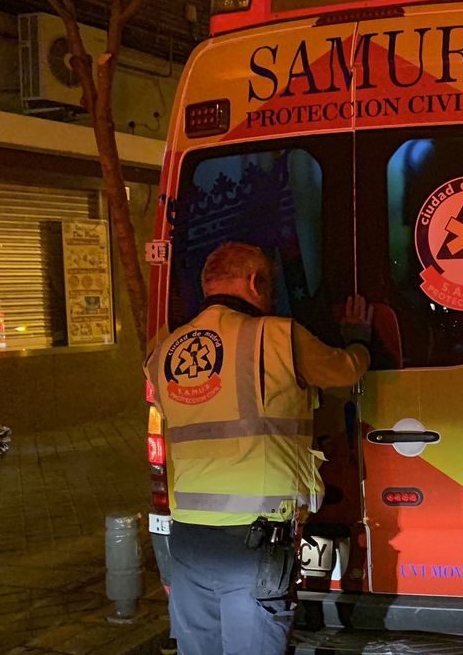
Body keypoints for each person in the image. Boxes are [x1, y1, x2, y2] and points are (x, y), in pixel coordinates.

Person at [144, 242, 374, 655]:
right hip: (252, 545)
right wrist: (358, 339)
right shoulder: (278, 336)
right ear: (255, 282)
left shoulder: (164, 350)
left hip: (188, 542)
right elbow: (344, 373)